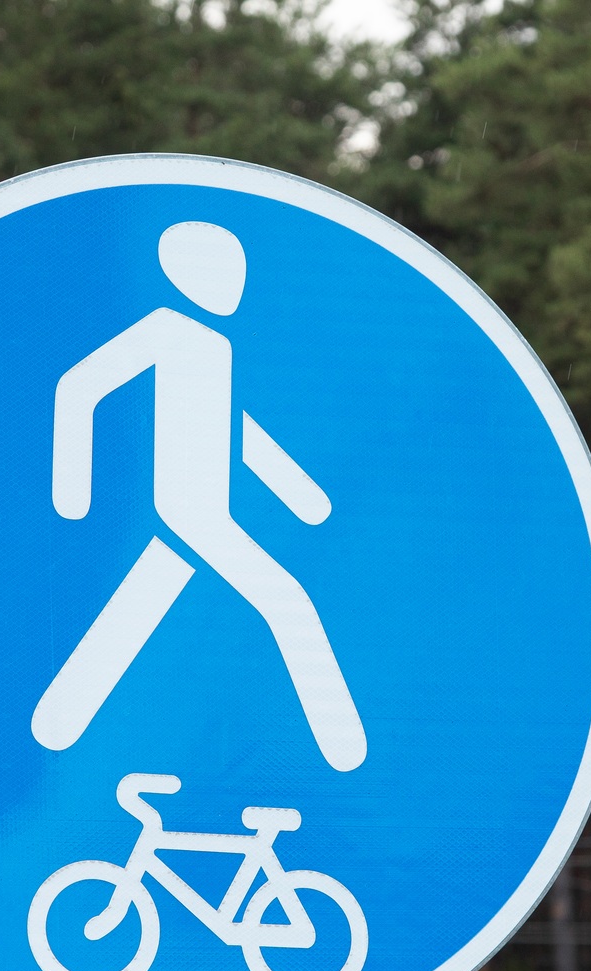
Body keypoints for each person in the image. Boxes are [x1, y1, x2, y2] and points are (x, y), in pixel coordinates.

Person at [31, 221, 368, 772]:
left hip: (204, 509)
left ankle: (54, 726)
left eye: (235, 268)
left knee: (136, 609)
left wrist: (301, 496)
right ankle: (345, 749)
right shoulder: (165, 329)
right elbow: (80, 387)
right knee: (289, 602)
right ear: (186, 274)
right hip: (184, 507)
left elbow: (235, 428)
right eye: (222, 269)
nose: (235, 282)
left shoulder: (216, 345)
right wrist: (73, 490)